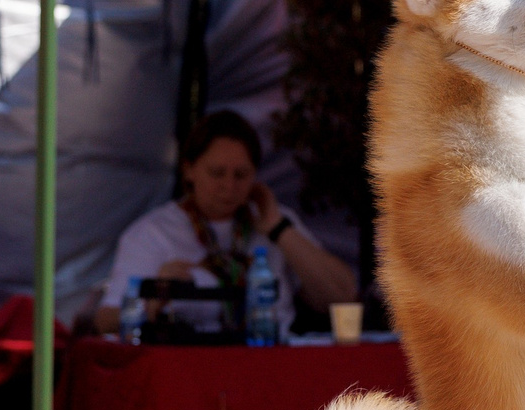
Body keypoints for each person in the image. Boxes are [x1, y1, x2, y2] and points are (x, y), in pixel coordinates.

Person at [97, 112, 355, 337]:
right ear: (189, 170)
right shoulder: (153, 232)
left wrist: (278, 229)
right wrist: (153, 300)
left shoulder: (272, 220)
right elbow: (105, 321)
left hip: (271, 365)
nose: (229, 186)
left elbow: (342, 296)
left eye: (241, 175)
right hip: (189, 371)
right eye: (217, 173)